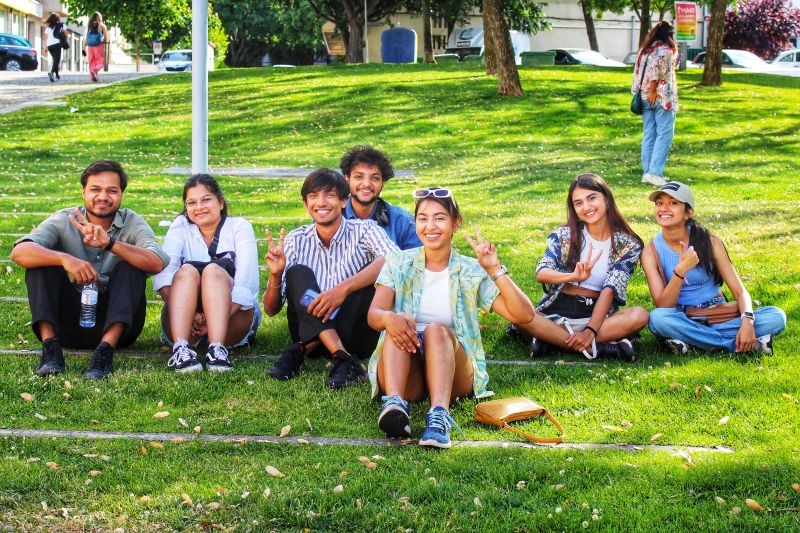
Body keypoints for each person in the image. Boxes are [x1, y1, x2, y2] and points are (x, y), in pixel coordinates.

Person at [367, 187, 535, 448]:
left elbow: (523, 314)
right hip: (405, 364)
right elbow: (375, 315)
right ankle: (395, 405)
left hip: (451, 365)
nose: (430, 226)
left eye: (439, 218)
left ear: (456, 222)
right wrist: (390, 319)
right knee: (396, 326)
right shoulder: (397, 262)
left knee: (435, 330)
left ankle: (439, 416)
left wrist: (494, 270)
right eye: (423, 218)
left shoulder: (470, 269)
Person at [10, 160, 169, 379]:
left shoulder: (132, 222)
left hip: (119, 325)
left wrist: (110, 244)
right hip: (68, 322)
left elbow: (157, 262)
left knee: (131, 268)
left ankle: (104, 353)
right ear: (84, 192)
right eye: (95, 189)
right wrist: (64, 259)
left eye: (111, 190)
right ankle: (51, 349)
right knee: (41, 265)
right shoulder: (64, 219)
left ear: (121, 194)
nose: (103, 196)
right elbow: (19, 252)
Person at [263, 168, 399, 389]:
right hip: (306, 326)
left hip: (355, 333)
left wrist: (342, 290)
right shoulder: (296, 239)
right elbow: (271, 310)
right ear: (306, 204)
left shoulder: (364, 230)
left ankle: (301, 350)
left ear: (343, 201)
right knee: (297, 272)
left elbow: (395, 260)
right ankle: (344, 358)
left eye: (330, 195)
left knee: (375, 270)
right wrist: (276, 275)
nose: (321, 203)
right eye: (313, 196)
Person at [511, 173, 649, 361]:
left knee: (640, 315)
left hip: (597, 314)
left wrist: (590, 330)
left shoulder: (628, 244)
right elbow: (542, 273)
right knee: (517, 313)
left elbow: (610, 290)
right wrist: (572, 276)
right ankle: (603, 348)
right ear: (574, 208)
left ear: (606, 199)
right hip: (556, 311)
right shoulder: (563, 235)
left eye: (592, 198)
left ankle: (551, 343)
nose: (586, 207)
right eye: (578, 203)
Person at [642, 182, 786, 354]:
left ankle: (694, 341)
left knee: (777, 316)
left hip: (719, 314)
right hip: (683, 317)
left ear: (688, 212)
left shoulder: (710, 241)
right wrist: (680, 271)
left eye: (673, 203)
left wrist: (747, 321)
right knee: (657, 319)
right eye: (659, 203)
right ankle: (740, 345)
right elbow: (663, 306)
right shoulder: (650, 251)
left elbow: (740, 292)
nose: (664, 208)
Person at [153, 174, 260, 373]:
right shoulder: (180, 225)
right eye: (192, 202)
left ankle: (217, 350)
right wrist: (192, 315)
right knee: (186, 271)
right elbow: (163, 276)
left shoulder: (239, 226)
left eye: (206, 199)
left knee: (213, 271)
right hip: (187, 321)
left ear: (221, 202)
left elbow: (247, 283)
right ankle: (181, 349)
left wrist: (212, 322)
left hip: (232, 315)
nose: (199, 207)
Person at [341, 146, 421, 250]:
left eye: (375, 178)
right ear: (347, 180)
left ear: (383, 183)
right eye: (359, 177)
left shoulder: (402, 221)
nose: (366, 184)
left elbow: (417, 258)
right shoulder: (332, 216)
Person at [632, 21, 678, 187]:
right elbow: (656, 72)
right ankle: (654, 173)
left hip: (644, 96)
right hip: (661, 96)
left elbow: (639, 73)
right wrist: (653, 90)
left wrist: (646, 92)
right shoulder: (664, 50)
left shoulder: (644, 50)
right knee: (664, 134)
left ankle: (647, 172)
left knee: (649, 134)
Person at [82, 12, 108, 83]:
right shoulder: (102, 26)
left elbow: (86, 38)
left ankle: (93, 77)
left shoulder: (89, 25)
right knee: (100, 62)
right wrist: (104, 41)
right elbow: (105, 38)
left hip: (90, 46)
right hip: (98, 45)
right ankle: (95, 70)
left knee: (92, 62)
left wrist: (84, 48)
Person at [44, 13, 67, 83]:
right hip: (57, 44)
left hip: (50, 45)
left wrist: (45, 47)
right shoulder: (62, 25)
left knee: (55, 60)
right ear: (58, 19)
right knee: (57, 60)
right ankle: (51, 73)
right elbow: (66, 35)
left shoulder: (48, 27)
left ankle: (57, 75)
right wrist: (63, 40)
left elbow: (46, 38)